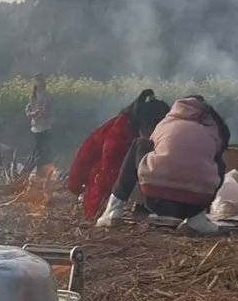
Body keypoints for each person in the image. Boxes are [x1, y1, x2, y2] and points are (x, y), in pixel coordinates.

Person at [96, 95, 230, 234]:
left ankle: (113, 211)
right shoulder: (213, 128)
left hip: (154, 200)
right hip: (193, 207)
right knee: (217, 162)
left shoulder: (167, 122)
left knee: (140, 144)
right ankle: (198, 220)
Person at [68, 89, 170, 219]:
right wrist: (97, 204)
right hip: (102, 191)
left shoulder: (134, 131)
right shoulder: (118, 135)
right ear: (147, 124)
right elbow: (104, 172)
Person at [25, 73, 53, 170]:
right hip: (35, 128)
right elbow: (28, 110)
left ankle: (45, 170)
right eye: (38, 81)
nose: (40, 83)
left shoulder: (48, 96)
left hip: (45, 127)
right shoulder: (33, 96)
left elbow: (49, 111)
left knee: (45, 150)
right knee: (36, 150)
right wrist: (33, 114)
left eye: (41, 81)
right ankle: (36, 169)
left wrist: (42, 113)